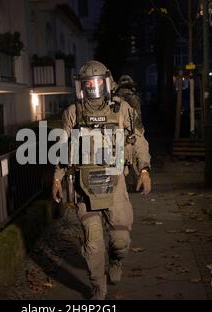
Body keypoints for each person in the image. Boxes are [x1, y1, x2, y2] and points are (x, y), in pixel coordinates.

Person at [52, 61, 152, 299]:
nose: (93, 88)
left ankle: (116, 260)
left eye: (98, 83)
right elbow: (62, 149)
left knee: (120, 239)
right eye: (88, 84)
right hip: (84, 187)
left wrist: (144, 170)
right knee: (93, 243)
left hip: (115, 182)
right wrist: (57, 179)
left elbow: (138, 140)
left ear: (107, 84)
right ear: (81, 86)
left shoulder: (123, 109)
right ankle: (98, 285)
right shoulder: (72, 113)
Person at [115, 75, 146, 191]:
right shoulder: (133, 97)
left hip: (120, 132)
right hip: (131, 131)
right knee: (133, 159)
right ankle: (137, 183)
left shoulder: (117, 96)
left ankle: (127, 184)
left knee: (125, 160)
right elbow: (136, 116)